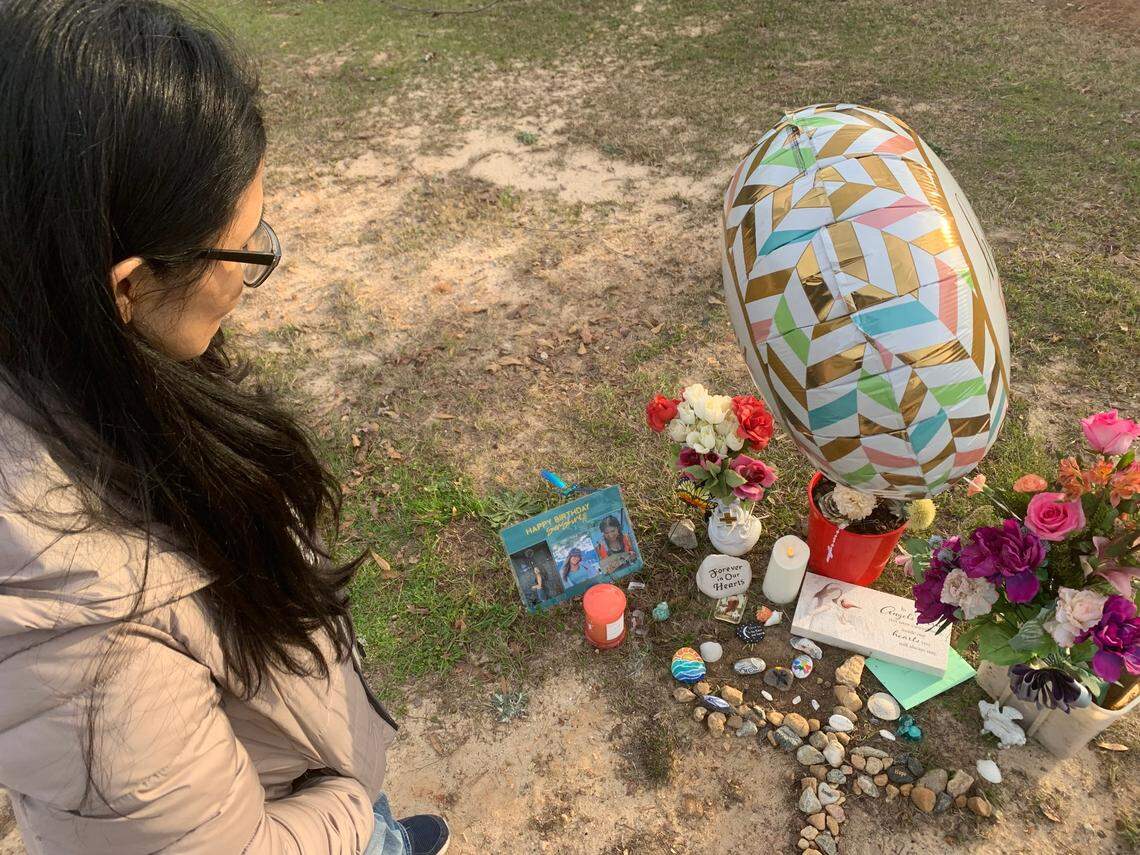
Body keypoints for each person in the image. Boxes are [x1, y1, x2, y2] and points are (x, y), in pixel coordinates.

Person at [0, 2, 448, 853]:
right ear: (125, 289)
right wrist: (353, 801)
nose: (249, 281)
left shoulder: (79, 353)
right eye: (246, 254)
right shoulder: (91, 654)